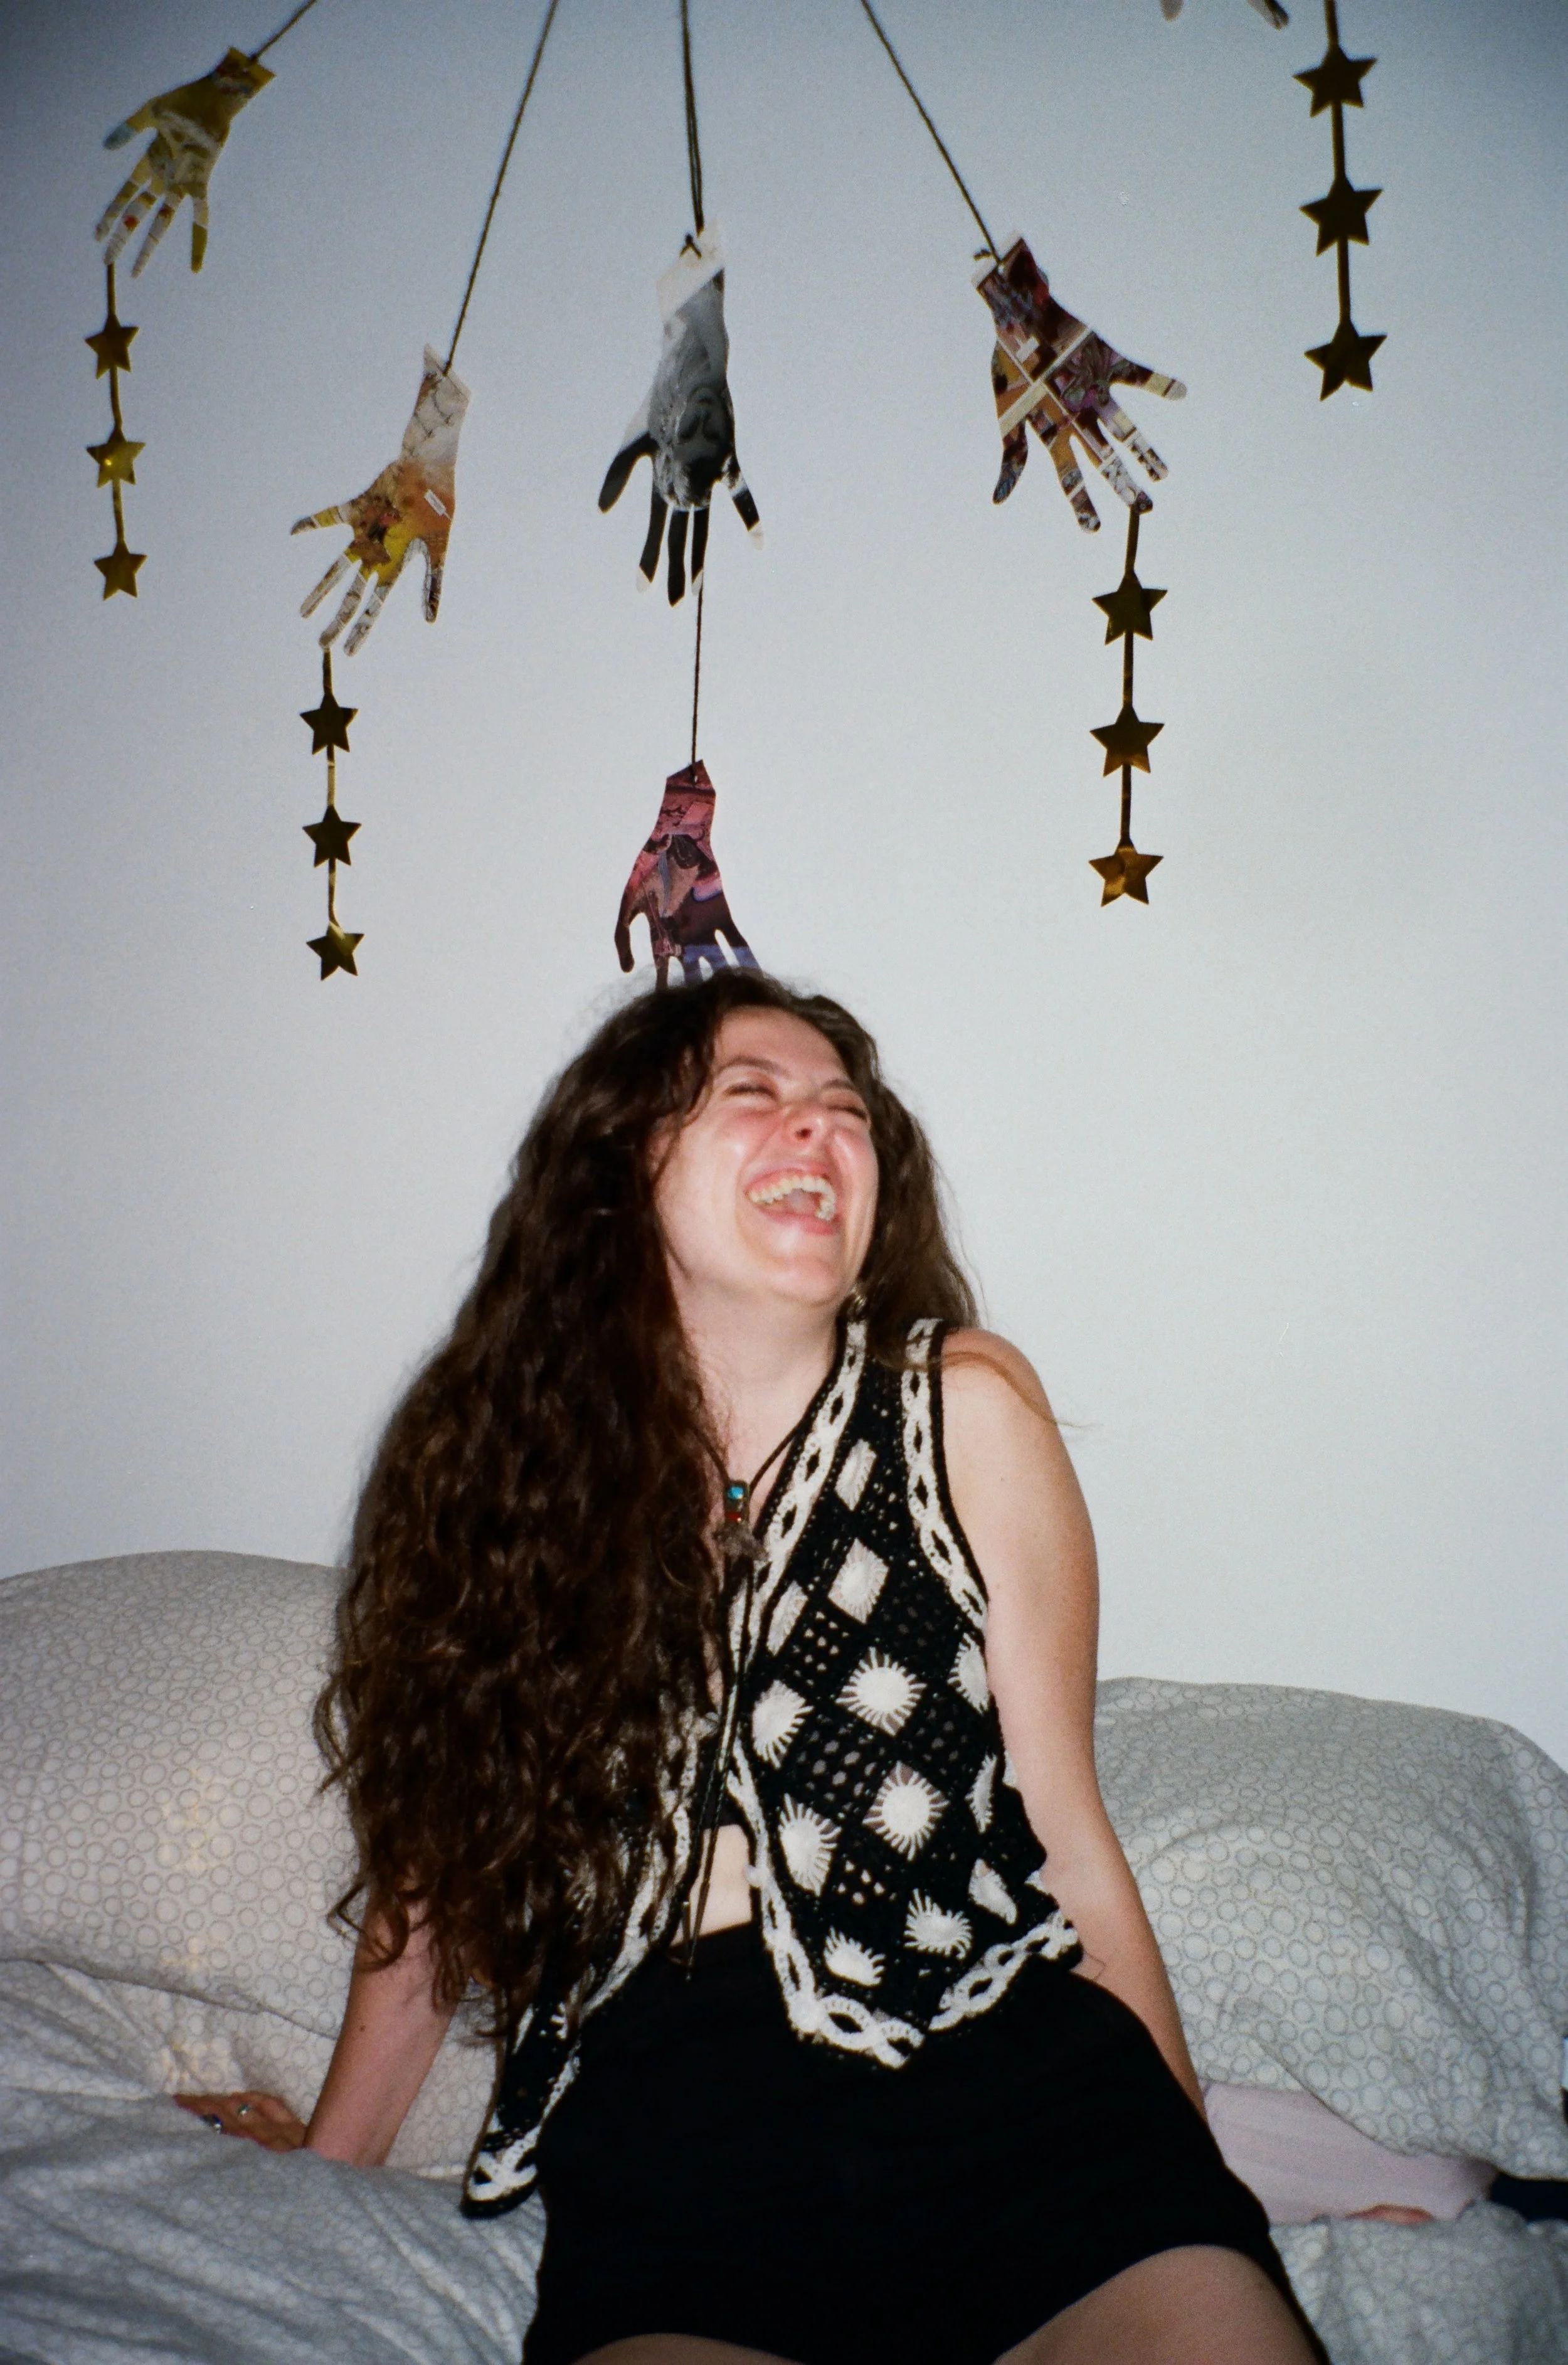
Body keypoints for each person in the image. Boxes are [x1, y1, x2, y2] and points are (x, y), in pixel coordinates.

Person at [181, 969, 1328, 2365]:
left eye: (846, 1113)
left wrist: (1205, 2189)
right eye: (754, 1096)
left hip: (1021, 2097)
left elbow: (1069, 1842)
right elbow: (440, 1866)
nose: (817, 1133)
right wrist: (330, 2161)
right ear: (622, 1165)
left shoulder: (963, 1409)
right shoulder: (491, 1475)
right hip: (683, 2145)